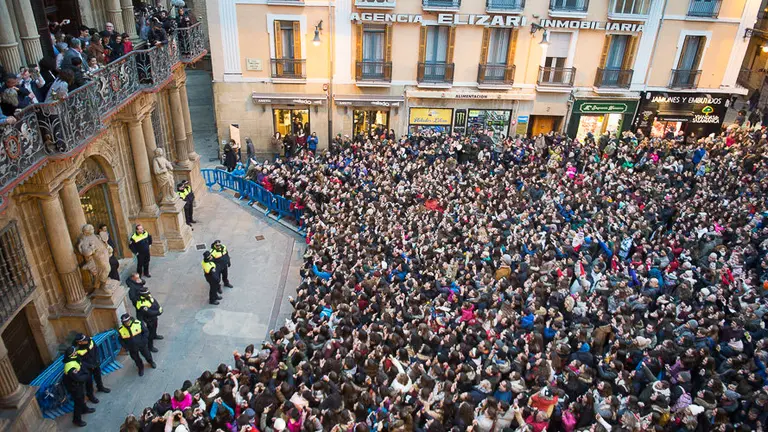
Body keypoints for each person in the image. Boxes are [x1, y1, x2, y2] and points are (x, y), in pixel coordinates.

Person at [63, 346, 95, 427]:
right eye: (74, 351)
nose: (76, 352)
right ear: (72, 354)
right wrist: (86, 376)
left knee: (81, 397)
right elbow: (77, 378)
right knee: (78, 402)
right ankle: (76, 420)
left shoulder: (74, 359)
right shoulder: (70, 365)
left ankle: (84, 409)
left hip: (78, 385)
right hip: (74, 386)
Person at [73, 333, 111, 400]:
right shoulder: (76, 350)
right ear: (79, 342)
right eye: (84, 340)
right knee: (89, 382)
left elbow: (96, 350)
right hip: (86, 367)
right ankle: (90, 395)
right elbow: (80, 361)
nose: (86, 340)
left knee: (98, 376)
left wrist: (97, 360)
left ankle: (100, 387)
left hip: (95, 363)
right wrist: (90, 366)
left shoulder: (90, 340)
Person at [134, 286, 164, 353]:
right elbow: (149, 312)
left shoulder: (148, 297)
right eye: (146, 293)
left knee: (155, 327)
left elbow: (155, 302)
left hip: (154, 317)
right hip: (148, 319)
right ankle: (150, 346)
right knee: (150, 333)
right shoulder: (141, 304)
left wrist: (159, 308)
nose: (148, 294)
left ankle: (155, 335)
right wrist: (158, 312)